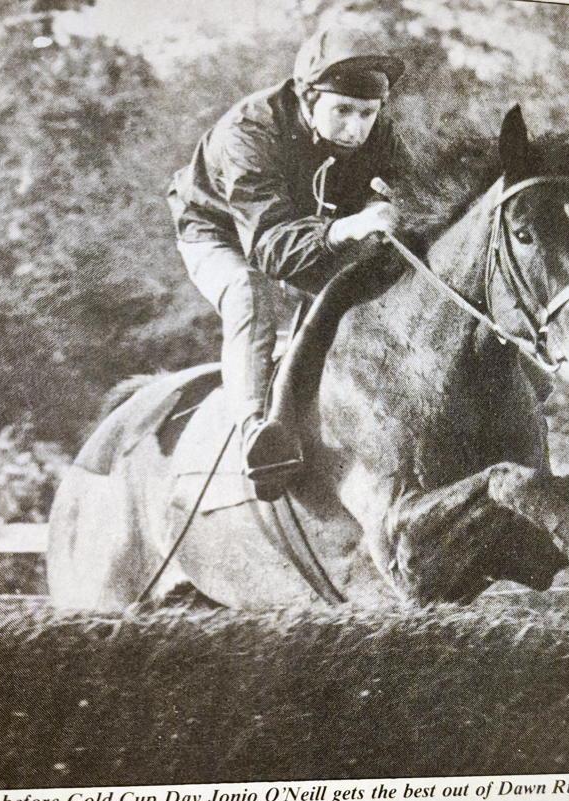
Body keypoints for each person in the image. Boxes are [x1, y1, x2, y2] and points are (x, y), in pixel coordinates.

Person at [167, 26, 407, 498]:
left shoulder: (379, 134)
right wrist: (344, 229)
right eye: (342, 111)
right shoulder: (249, 131)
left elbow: (412, 194)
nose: (356, 129)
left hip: (309, 227)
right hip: (221, 232)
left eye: (367, 113)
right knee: (248, 292)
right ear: (307, 97)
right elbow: (270, 250)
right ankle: (259, 433)